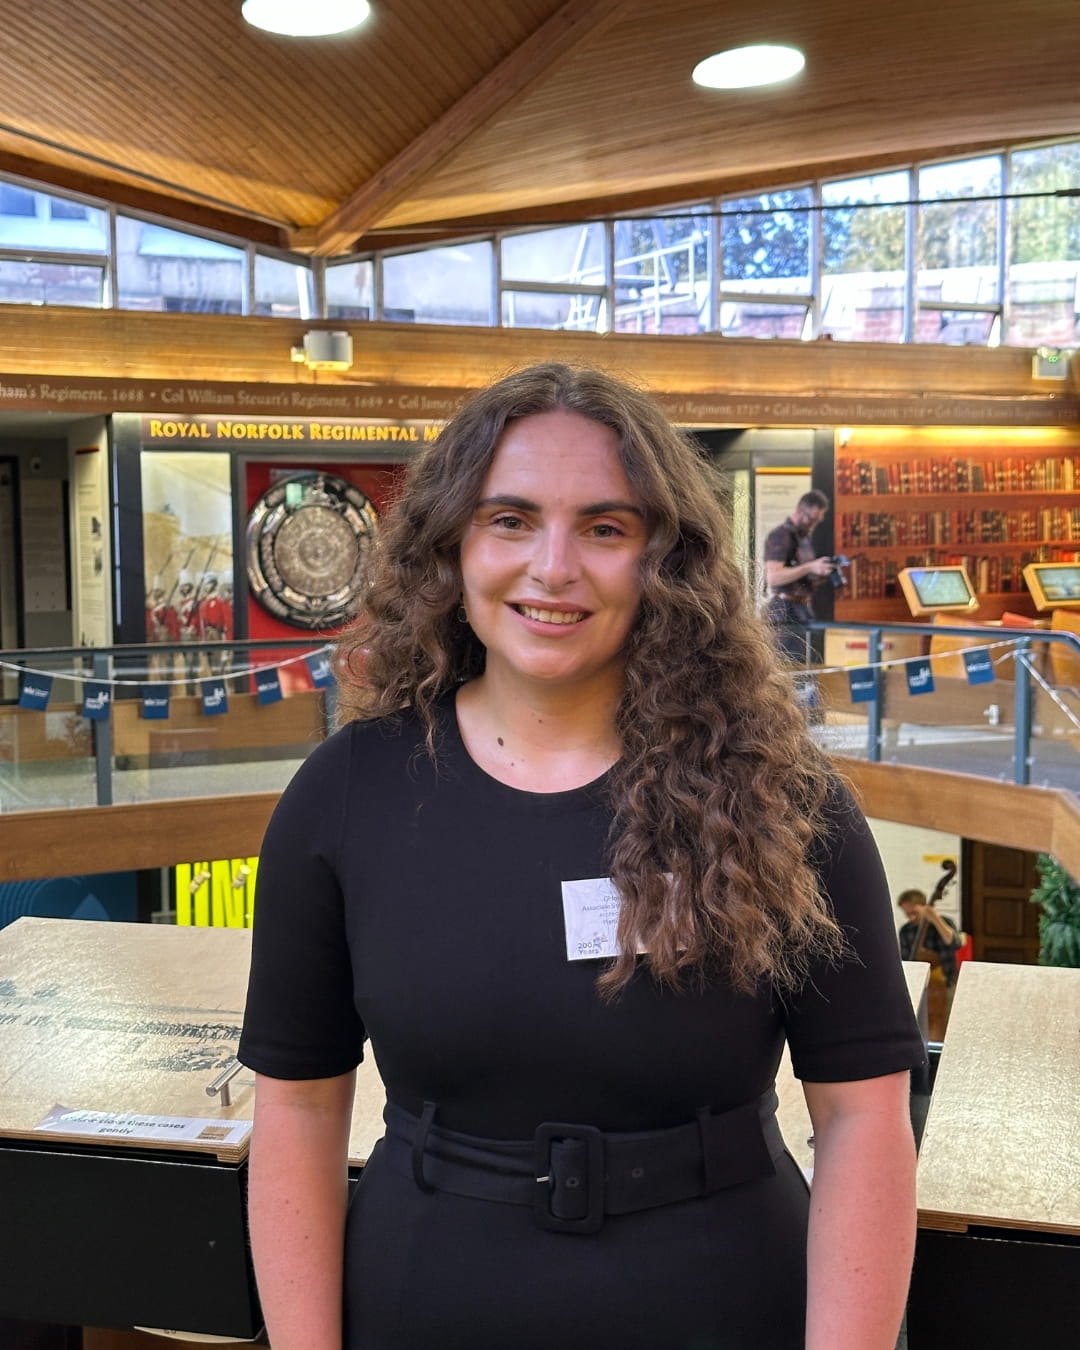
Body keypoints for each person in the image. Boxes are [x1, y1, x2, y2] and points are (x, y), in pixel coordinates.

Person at [238, 363, 924, 1350]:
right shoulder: (347, 794)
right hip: (424, 1301)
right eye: (509, 519)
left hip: (727, 1304)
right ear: (452, 545)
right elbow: (297, 1110)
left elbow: (864, 1121)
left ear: (664, 558)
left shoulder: (785, 799)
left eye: (605, 527)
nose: (552, 567)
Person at [762, 490, 836, 663]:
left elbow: (800, 574)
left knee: (804, 665)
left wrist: (819, 573)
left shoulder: (803, 538)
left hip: (801, 609)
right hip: (785, 611)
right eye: (811, 519)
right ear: (800, 511)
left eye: (817, 520)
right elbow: (773, 578)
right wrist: (810, 566)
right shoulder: (781, 535)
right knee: (790, 666)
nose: (813, 524)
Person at [896, 889, 964, 988]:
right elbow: (906, 960)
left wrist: (934, 918)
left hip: (947, 982)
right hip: (919, 984)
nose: (912, 918)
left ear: (925, 907)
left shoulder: (946, 922)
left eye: (915, 912)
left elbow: (955, 943)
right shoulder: (905, 930)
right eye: (907, 914)